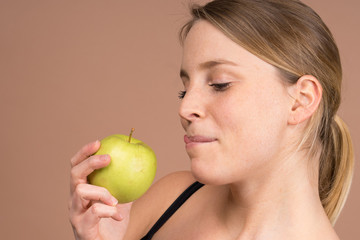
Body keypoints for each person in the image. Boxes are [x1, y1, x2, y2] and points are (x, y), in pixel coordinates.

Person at [68, 0, 354, 239]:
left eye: (220, 84)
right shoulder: (173, 197)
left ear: (300, 101)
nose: (185, 108)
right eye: (184, 89)